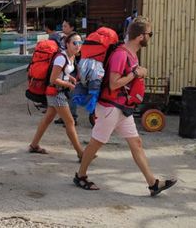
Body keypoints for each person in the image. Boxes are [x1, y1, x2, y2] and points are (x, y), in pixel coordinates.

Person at [74, 17, 177, 196]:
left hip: (123, 107)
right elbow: (114, 84)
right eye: (149, 34)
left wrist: (136, 73)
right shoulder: (121, 54)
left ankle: (153, 184)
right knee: (95, 143)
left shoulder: (131, 54)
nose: (150, 37)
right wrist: (136, 73)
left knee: (136, 143)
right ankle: (80, 175)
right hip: (110, 107)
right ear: (140, 36)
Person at [28, 32, 85, 160]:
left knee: (47, 119)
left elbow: (62, 72)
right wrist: (69, 85)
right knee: (70, 121)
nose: (78, 46)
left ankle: (34, 145)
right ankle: (81, 153)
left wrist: (70, 78)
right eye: (75, 43)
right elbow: (53, 79)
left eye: (80, 43)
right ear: (67, 44)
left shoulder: (71, 57)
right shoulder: (61, 58)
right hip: (56, 93)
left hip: (57, 92)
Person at [55, 18, 79, 126]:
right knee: (63, 95)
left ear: (72, 28)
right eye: (63, 25)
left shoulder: (73, 40)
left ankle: (72, 117)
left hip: (70, 70)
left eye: (65, 26)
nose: (63, 28)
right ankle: (64, 117)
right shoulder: (65, 38)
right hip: (66, 70)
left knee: (71, 95)